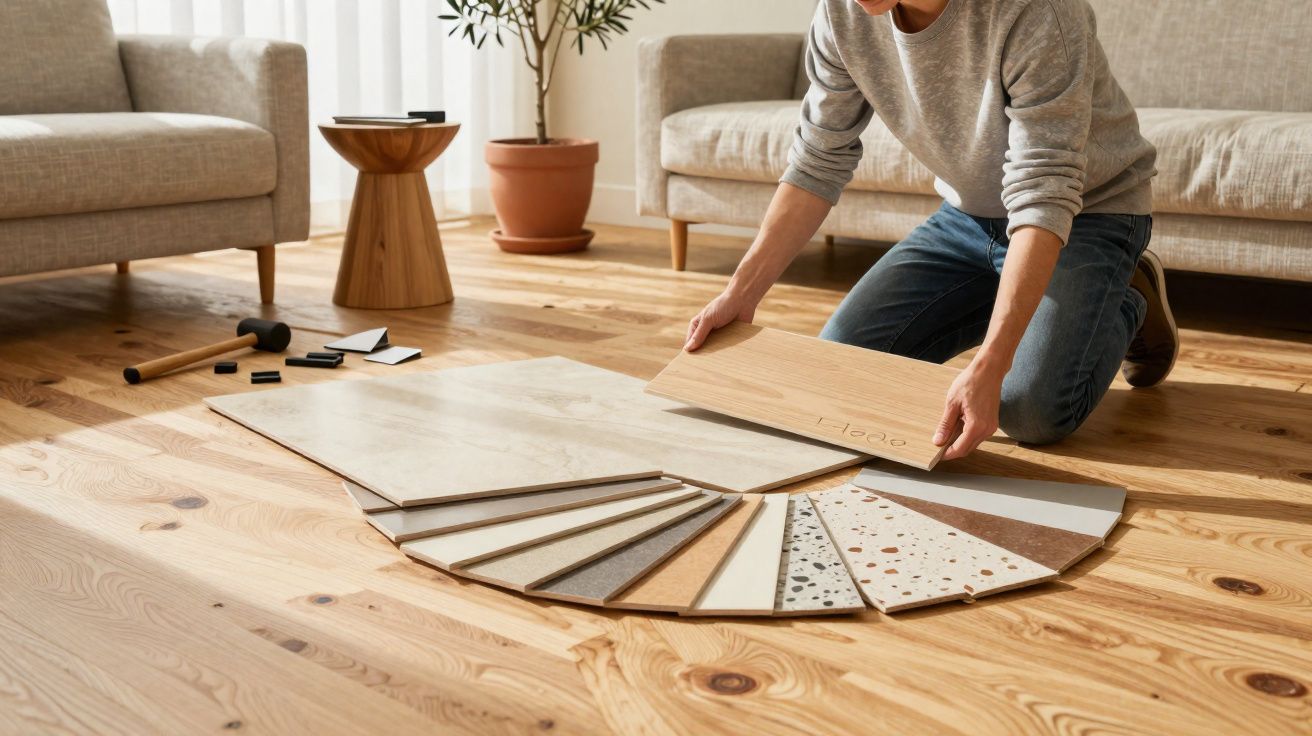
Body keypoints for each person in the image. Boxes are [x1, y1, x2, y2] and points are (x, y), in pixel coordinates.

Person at [683, 0, 1179, 461]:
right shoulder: (843, 12)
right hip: (967, 221)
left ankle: (1128, 293)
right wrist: (740, 292)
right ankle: (1028, 299)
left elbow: (1044, 194)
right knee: (843, 370)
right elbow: (817, 159)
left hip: (1087, 216)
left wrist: (992, 361)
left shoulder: (1035, 11)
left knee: (1029, 411)